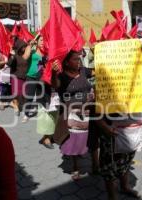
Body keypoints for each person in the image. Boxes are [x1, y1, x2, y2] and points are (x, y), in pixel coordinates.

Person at [52, 50, 94, 180]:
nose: (78, 61)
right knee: (74, 140)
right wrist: (53, 73)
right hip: (71, 115)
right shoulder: (61, 76)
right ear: (67, 62)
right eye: (75, 59)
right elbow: (55, 84)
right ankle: (76, 167)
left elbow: (98, 71)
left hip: (87, 111)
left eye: (79, 58)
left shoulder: (83, 71)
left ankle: (95, 165)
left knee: (89, 138)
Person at [21, 35, 46, 123]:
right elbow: (25, 57)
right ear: (37, 41)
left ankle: (43, 114)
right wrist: (30, 45)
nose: (43, 42)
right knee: (29, 96)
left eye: (44, 40)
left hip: (42, 78)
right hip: (31, 77)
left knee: (42, 96)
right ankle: (26, 114)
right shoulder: (32, 50)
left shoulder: (46, 52)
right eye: (41, 40)